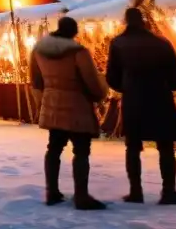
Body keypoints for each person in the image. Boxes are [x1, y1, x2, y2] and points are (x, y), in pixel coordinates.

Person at [105, 8, 176, 205]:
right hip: (160, 97)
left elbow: (112, 78)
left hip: (134, 99)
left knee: (133, 147)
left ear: (125, 22)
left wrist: (126, 86)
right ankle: (169, 192)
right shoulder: (162, 42)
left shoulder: (118, 43)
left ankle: (136, 192)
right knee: (166, 146)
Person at [30, 16, 109, 211]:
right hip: (76, 106)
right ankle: (81, 196)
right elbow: (91, 80)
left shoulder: (39, 51)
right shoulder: (78, 52)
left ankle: (52, 192)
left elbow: (36, 80)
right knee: (81, 150)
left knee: (54, 148)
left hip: (52, 104)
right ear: (73, 32)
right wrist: (100, 94)